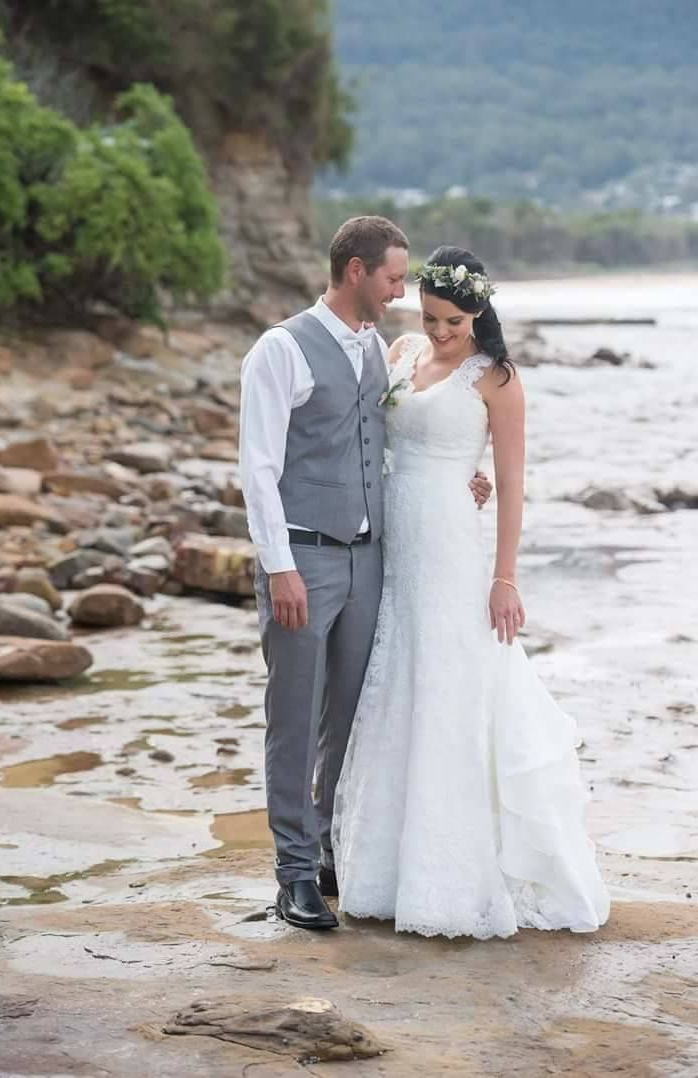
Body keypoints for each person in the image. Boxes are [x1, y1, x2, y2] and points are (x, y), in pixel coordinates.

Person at [332, 246, 611, 939]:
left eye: (452, 321)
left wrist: (505, 576)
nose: (439, 332)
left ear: (479, 312)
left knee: (451, 688)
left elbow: (513, 484)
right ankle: (380, 867)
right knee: (394, 683)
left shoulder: (498, 381)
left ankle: (451, 873)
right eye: (429, 317)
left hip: (453, 551)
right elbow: (373, 439)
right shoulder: (399, 352)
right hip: (390, 545)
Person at [239, 219, 492, 930]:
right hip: (303, 559)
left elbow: (386, 447)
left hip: (370, 558)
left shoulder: (382, 353)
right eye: (391, 278)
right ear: (356, 271)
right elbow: (257, 469)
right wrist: (278, 566)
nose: (399, 290)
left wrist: (460, 482)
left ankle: (324, 849)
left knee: (348, 715)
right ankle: (292, 876)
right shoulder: (280, 349)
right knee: (293, 718)